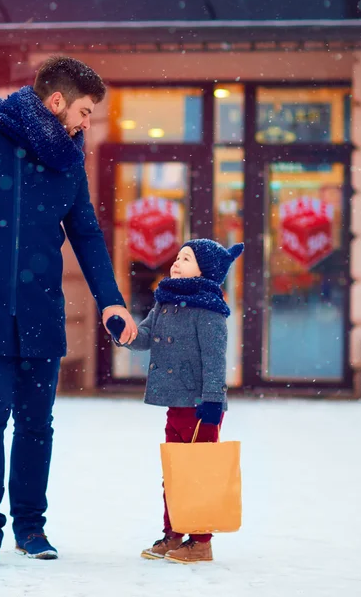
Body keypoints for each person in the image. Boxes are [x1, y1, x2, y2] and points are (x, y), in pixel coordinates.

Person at [0, 56, 138, 566]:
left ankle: (31, 527)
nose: (88, 123)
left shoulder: (68, 160)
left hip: (41, 313)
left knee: (37, 424)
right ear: (57, 101)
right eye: (85, 112)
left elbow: (85, 233)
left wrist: (111, 300)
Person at [107, 239, 243, 564]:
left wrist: (212, 401)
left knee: (198, 472)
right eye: (178, 257)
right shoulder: (164, 303)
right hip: (175, 401)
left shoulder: (208, 309)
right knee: (174, 471)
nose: (177, 263)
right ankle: (174, 533)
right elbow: (144, 338)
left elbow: (214, 360)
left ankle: (201, 541)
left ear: (205, 271)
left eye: (187, 258)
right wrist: (124, 334)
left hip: (199, 406)